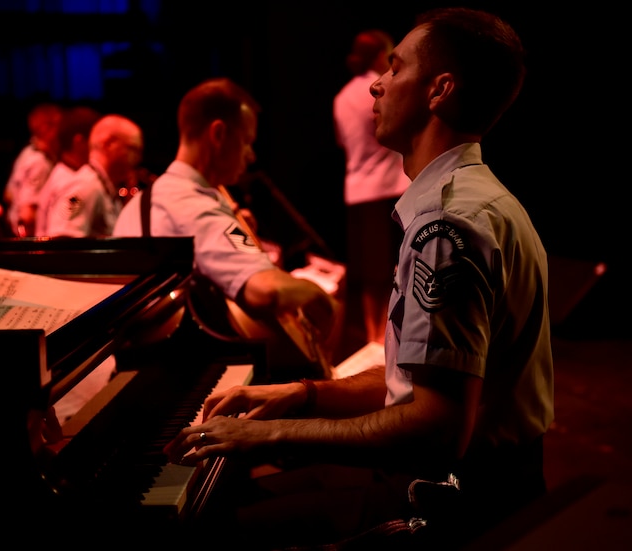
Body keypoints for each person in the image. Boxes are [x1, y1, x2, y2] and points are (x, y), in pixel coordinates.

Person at [163, 8, 553, 550]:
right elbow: (419, 380)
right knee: (237, 498)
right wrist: (303, 395)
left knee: (212, 528)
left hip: (449, 500)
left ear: (439, 90)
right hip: (466, 482)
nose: (377, 83)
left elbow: (439, 427)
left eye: (395, 68)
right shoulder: (471, 200)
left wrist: (267, 433)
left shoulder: (447, 225)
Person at [112, 77, 338, 380]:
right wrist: (325, 301)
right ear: (218, 133)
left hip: (136, 372)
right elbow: (265, 290)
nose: (251, 155)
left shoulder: (142, 203)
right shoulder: (193, 204)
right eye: (246, 140)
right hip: (185, 376)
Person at [334, 29, 411, 347]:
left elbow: (342, 142)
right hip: (389, 188)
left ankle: (371, 336)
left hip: (357, 189)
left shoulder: (341, 96)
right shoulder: (381, 90)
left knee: (370, 273)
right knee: (394, 269)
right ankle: (390, 338)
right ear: (381, 55)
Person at [38, 113, 143, 238]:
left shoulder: (100, 185)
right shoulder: (85, 186)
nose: (138, 158)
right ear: (108, 144)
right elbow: (63, 243)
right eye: (132, 148)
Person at [32, 105, 101, 236]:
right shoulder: (72, 182)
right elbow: (63, 239)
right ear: (79, 141)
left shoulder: (71, 175)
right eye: (95, 140)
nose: (98, 147)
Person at [3, 101, 63, 237]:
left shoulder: (27, 152)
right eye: (60, 126)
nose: (63, 132)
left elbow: (8, 195)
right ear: (45, 129)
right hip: (29, 240)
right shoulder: (39, 163)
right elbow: (27, 215)